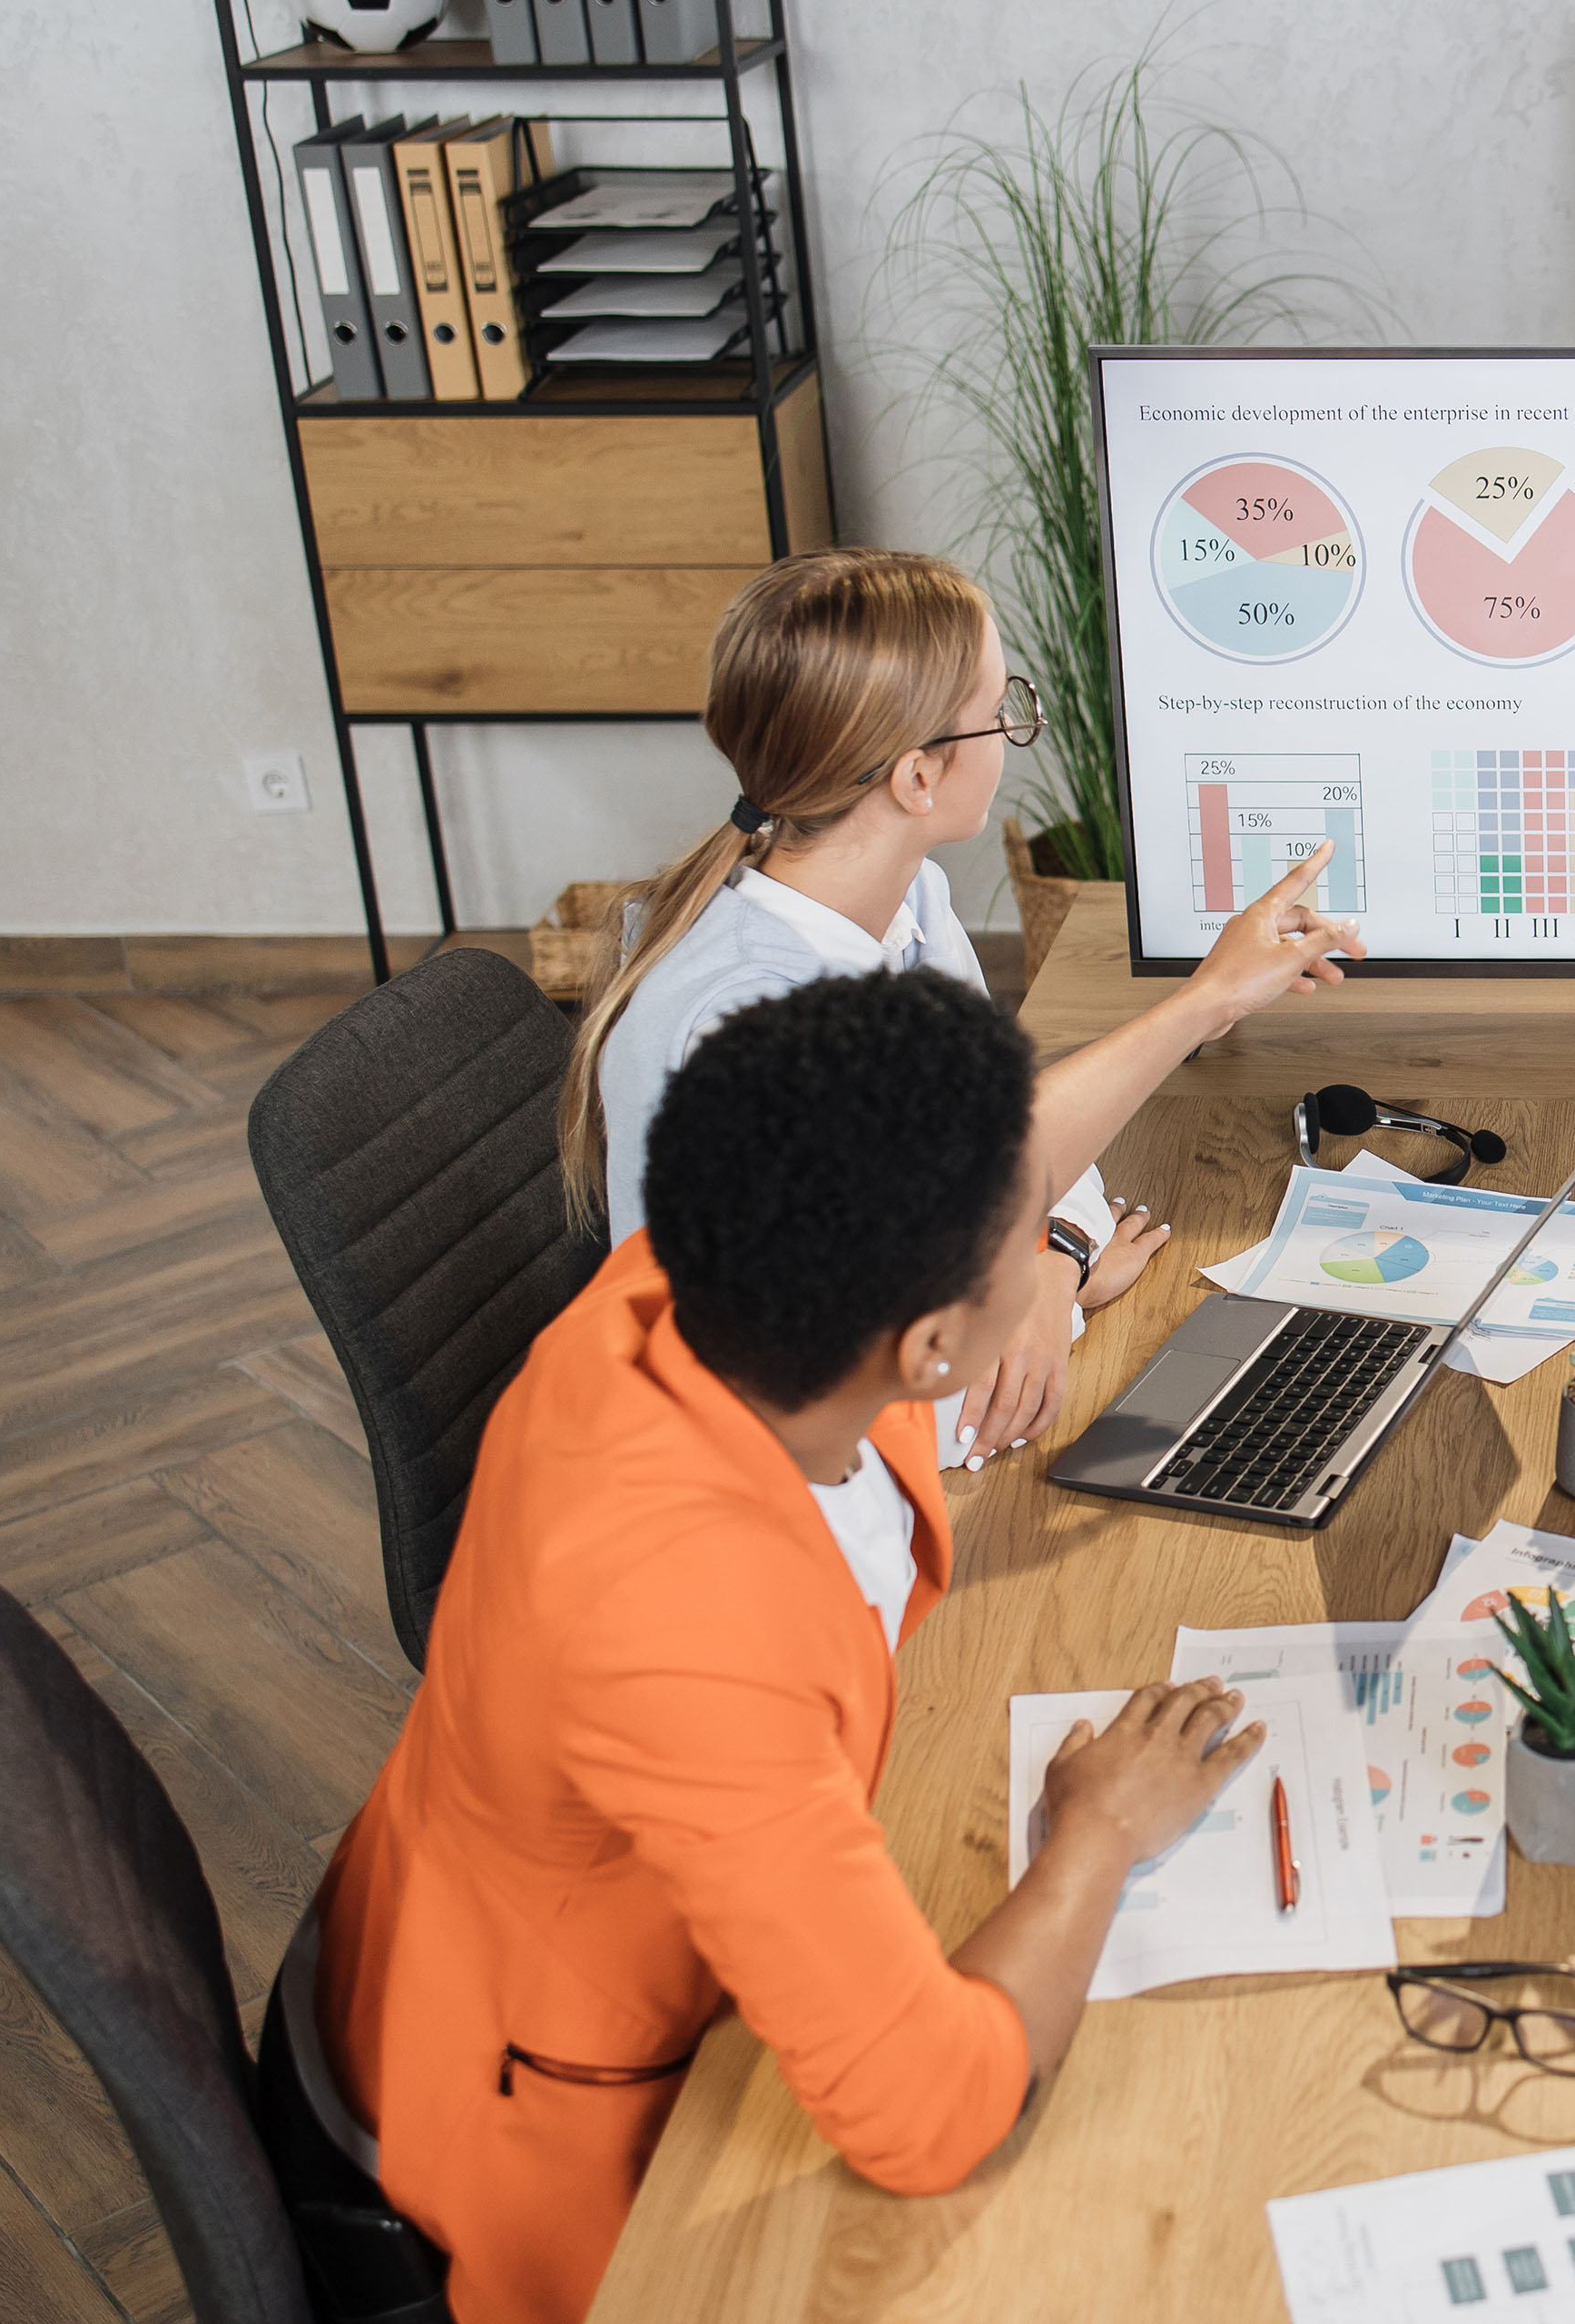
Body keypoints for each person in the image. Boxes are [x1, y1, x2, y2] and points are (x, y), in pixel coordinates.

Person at [296, 966, 1343, 2324]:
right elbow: (927, 2116)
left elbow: (992, 1150)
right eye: (1026, 1244)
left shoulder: (705, 1266)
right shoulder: (682, 1633)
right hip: (576, 2129)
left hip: (519, 1895)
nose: (1043, 1254)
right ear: (925, 1349)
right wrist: (1099, 1831)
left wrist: (1184, 1037)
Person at [561, 547, 1176, 1471]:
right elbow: (933, 1408)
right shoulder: (752, 1032)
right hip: (783, 1500)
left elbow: (1013, 1148)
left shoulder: (906, 905)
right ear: (918, 778)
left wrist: (1053, 1261)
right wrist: (1057, 1285)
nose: (1015, 728)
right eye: (1000, 711)